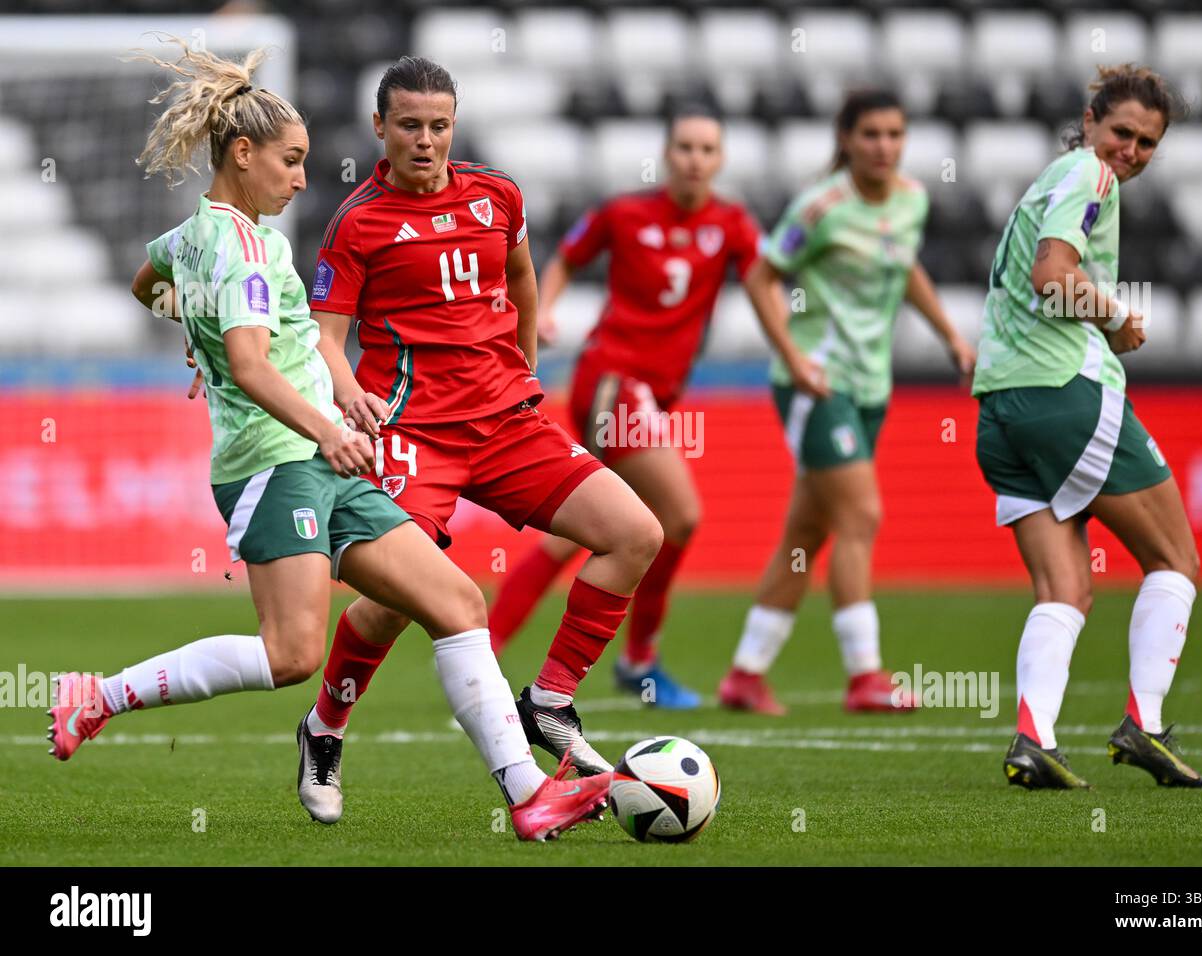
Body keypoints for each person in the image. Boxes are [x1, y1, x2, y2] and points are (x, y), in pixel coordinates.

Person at [47, 39, 612, 842]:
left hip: (317, 459)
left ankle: (529, 795)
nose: (305, 179)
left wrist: (196, 331)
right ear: (243, 155)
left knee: (456, 601)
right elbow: (248, 364)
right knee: (290, 656)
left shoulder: (214, 237)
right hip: (276, 466)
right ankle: (98, 696)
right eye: (292, 161)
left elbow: (152, 284)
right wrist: (316, 418)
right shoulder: (242, 251)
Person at [301, 57, 663, 815]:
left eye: (438, 126)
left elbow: (524, 277)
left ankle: (551, 699)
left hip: (507, 423)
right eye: (409, 126)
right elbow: (325, 338)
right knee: (399, 601)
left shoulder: (497, 194)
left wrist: (524, 363)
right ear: (380, 129)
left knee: (635, 533)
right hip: (412, 433)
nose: (425, 140)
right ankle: (326, 725)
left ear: (453, 126)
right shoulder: (358, 220)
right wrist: (345, 391)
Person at [972, 65, 1202, 789]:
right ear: (1091, 120)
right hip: (1065, 398)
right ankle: (1147, 722)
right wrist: (1115, 318)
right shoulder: (1088, 176)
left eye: (1146, 142)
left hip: (999, 413)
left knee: (1065, 587)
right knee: (1176, 560)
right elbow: (1052, 275)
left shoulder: (1052, 178)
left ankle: (1034, 741)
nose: (1130, 151)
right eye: (1121, 133)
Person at [486, 105, 765, 710]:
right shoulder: (624, 213)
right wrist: (544, 311)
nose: (695, 159)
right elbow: (556, 260)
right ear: (668, 155)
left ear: (719, 160)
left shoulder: (733, 224)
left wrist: (791, 350)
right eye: (685, 147)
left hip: (652, 392)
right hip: (612, 380)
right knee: (678, 515)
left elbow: (768, 281)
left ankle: (485, 647)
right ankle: (637, 660)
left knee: (583, 533)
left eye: (707, 149)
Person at [716, 89, 976, 715]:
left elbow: (904, 266)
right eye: (871, 135)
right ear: (846, 138)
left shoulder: (912, 199)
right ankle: (865, 676)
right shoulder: (822, 206)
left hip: (870, 387)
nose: (884, 147)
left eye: (894, 134)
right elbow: (760, 275)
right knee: (861, 516)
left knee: (808, 531)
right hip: (818, 385)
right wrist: (793, 357)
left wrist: (951, 336)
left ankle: (745, 675)